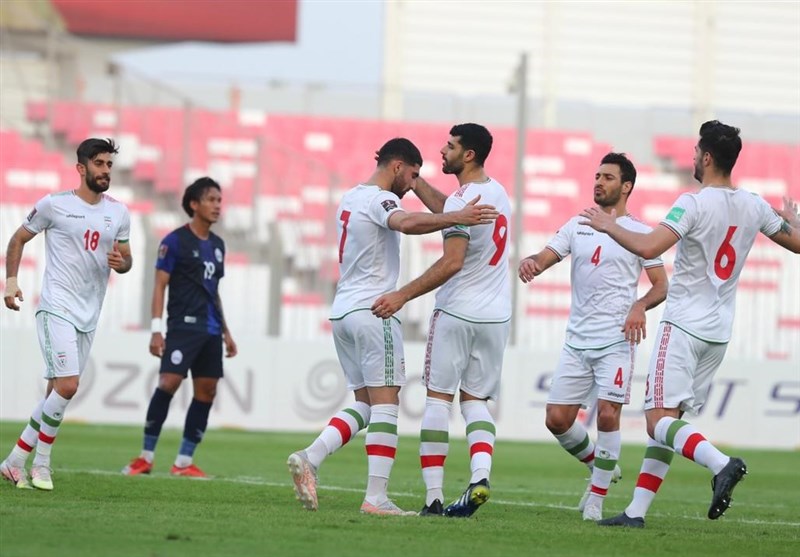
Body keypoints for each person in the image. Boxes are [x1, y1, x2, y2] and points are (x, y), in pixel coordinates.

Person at [579, 121, 800, 527]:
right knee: (670, 421)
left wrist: (610, 225)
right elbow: (797, 243)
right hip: (718, 332)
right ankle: (635, 513)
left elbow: (650, 245)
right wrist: (793, 221)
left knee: (656, 420)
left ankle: (721, 464)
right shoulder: (753, 204)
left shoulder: (694, 203)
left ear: (708, 157)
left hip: (682, 326)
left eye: (697, 152)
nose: (694, 158)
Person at [287, 137, 499, 515]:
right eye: (413, 175)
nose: (411, 184)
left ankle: (311, 457)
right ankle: (376, 497)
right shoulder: (381, 199)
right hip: (375, 311)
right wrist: (456, 217)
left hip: (343, 311)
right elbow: (406, 222)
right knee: (386, 406)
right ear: (398, 167)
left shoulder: (350, 197)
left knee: (365, 405)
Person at [518, 152, 668, 521]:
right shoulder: (577, 224)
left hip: (616, 339)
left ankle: (597, 501)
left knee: (607, 414)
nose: (599, 182)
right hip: (577, 340)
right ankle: (600, 466)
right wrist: (531, 262)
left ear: (626, 186)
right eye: (597, 176)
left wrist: (639, 306)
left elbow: (661, 286)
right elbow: (546, 256)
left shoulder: (640, 233)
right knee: (557, 419)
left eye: (608, 177)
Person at [372, 123, 511, 518]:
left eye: (450, 146)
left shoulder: (464, 199)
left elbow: (452, 262)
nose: (442, 151)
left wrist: (402, 294)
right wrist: (417, 184)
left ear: (468, 155)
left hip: (456, 311)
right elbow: (450, 210)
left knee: (437, 400)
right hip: (496, 315)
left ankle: (433, 498)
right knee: (476, 401)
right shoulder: (497, 193)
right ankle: (480, 477)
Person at [1, 138, 132, 491]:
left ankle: (14, 462)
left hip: (90, 313)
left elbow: (127, 258)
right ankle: (42, 464)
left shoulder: (119, 212)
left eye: (109, 165)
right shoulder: (54, 204)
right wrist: (11, 282)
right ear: (81, 168)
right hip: (56, 306)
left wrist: (122, 263)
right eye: (99, 164)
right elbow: (17, 239)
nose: (105, 170)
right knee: (69, 386)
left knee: (55, 393)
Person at [122, 177, 237, 478]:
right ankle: (145, 457)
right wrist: (156, 329)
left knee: (207, 391)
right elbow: (160, 285)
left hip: (211, 330)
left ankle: (184, 461)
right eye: (211, 200)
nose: (217, 206)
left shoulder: (218, 245)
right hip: (182, 327)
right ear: (194, 204)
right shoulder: (174, 242)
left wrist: (226, 331)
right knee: (168, 383)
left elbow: (213, 291)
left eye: (219, 200)